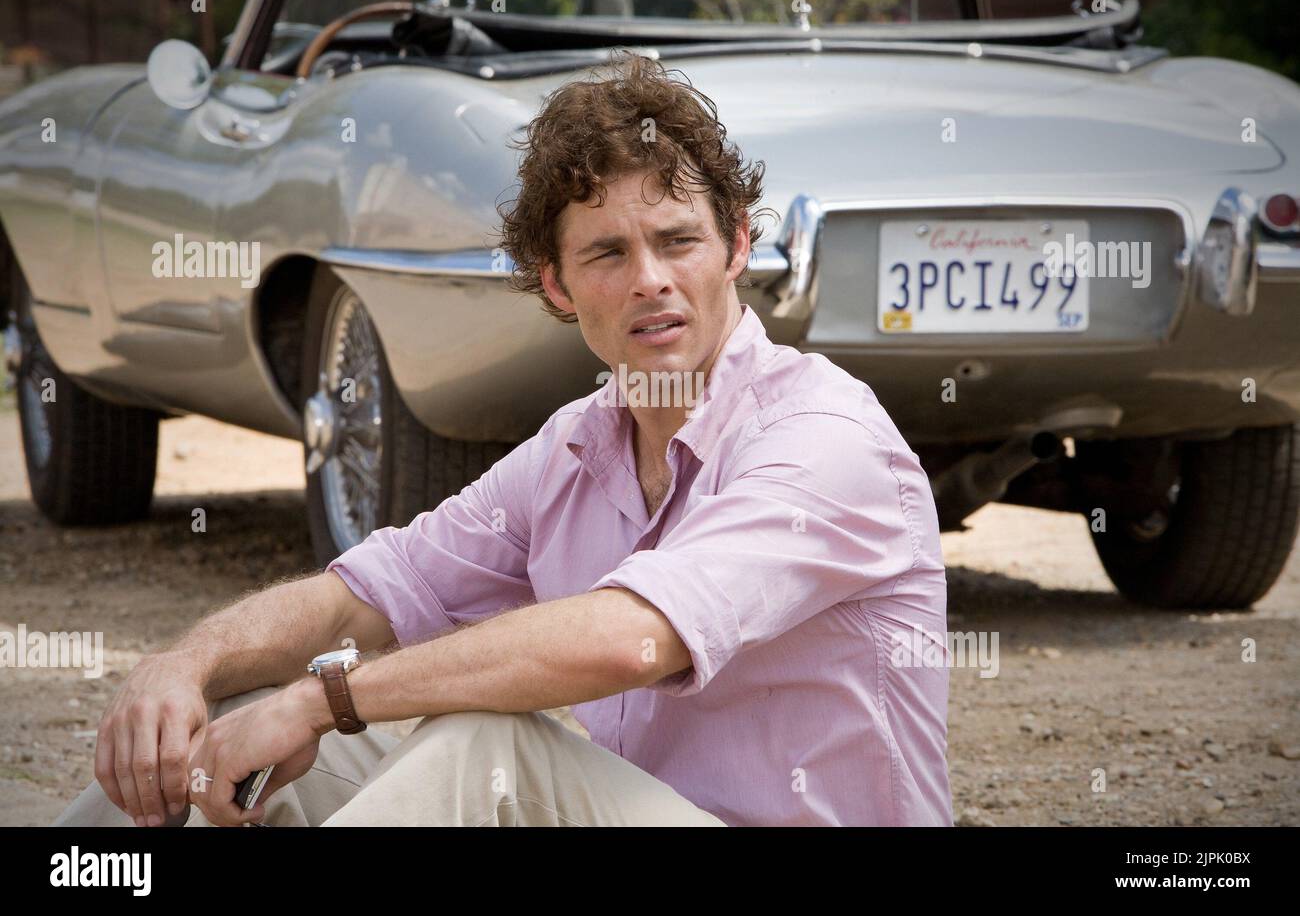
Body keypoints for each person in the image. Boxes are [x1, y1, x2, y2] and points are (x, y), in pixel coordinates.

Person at [54, 53, 951, 828]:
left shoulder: (822, 435)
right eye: (607, 254)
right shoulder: (576, 449)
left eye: (679, 241)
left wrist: (324, 699)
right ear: (555, 284)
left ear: (737, 250)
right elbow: (363, 600)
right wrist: (184, 664)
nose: (651, 281)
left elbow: (628, 640)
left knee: (487, 750)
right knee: (231, 725)